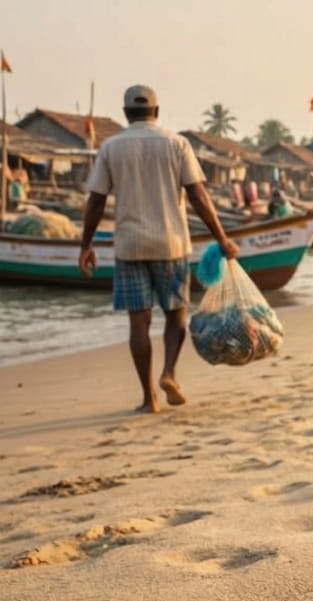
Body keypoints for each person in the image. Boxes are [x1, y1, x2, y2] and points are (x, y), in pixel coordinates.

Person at [78, 84, 239, 413]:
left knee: (139, 323)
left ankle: (149, 398)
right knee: (176, 314)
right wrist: (221, 237)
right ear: (157, 111)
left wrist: (86, 245)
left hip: (130, 246)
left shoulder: (112, 147)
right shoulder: (177, 144)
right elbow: (198, 197)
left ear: (126, 113)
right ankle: (169, 373)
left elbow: (95, 201)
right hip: (172, 244)